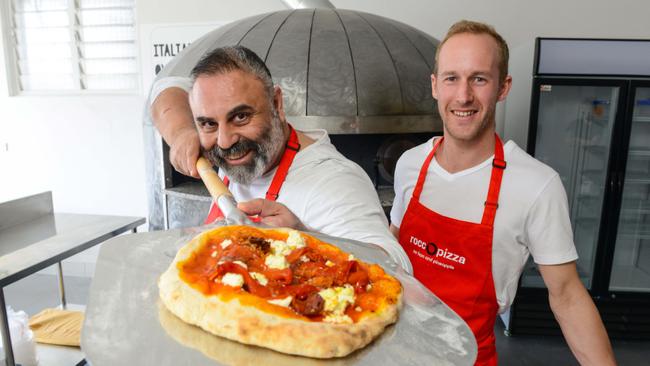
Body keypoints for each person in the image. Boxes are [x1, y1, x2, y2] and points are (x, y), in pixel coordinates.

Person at [389, 20, 616, 365]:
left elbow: (568, 296)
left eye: (479, 79)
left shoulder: (536, 185)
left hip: (468, 359)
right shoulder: (409, 164)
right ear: (435, 86)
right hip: (392, 350)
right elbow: (393, 253)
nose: (463, 96)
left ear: (503, 87)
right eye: (452, 78)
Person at [150, 45, 412, 273]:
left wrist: (307, 240)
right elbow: (165, 87)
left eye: (240, 117)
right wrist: (183, 133)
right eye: (208, 123)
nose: (224, 141)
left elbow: (397, 267)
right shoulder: (241, 147)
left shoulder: (334, 181)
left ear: (277, 104)